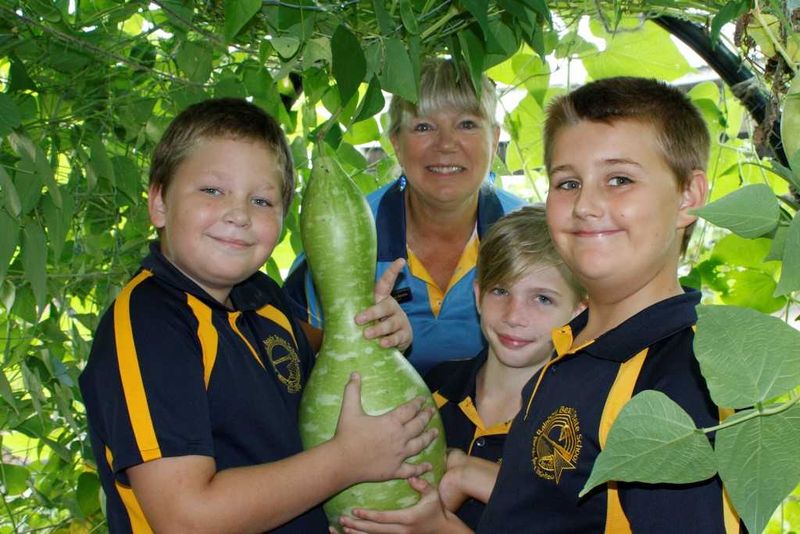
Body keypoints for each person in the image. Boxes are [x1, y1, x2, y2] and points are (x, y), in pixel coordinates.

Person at [337, 77, 744, 533]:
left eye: (620, 179)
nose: (586, 205)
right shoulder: (567, 356)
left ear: (689, 196)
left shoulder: (696, 378)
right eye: (568, 182)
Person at [78, 98, 437, 533]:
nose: (239, 214)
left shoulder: (260, 298)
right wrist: (347, 460)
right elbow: (186, 519)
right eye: (212, 190)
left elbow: (323, 348)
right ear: (159, 203)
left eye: (262, 200)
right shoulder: (149, 324)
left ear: (284, 221)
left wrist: (374, 328)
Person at [284, 58, 527, 374]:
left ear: (494, 140)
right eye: (424, 126)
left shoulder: (534, 234)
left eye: (467, 124)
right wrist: (358, 338)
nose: (446, 145)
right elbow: (291, 348)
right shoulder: (347, 233)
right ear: (395, 143)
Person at [424, 204, 585, 528]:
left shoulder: (583, 421)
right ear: (478, 294)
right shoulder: (432, 390)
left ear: (578, 312)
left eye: (542, 299)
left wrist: (472, 477)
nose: (514, 316)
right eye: (500, 291)